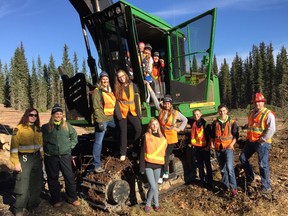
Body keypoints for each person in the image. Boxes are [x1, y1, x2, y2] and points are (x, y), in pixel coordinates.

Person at [145, 82, 187, 182]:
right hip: (162, 136)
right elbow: (155, 99)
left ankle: (165, 172)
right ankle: (162, 174)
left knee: (165, 154)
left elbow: (185, 120)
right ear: (163, 104)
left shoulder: (176, 113)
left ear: (171, 104)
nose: (167, 105)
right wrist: (149, 87)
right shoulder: (160, 110)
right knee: (160, 154)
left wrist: (179, 129)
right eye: (165, 103)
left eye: (168, 103)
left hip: (171, 137)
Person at [42, 104, 80, 207]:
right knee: (53, 178)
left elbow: (74, 138)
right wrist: (47, 151)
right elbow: (41, 141)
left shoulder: (67, 126)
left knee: (69, 177)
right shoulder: (45, 127)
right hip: (51, 156)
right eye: (56, 113)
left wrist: (69, 147)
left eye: (60, 113)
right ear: (52, 115)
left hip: (65, 156)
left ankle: (72, 198)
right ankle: (56, 199)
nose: (58, 115)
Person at [239, 93, 276, 196]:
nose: (257, 104)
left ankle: (266, 188)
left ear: (263, 102)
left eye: (259, 102)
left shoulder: (268, 114)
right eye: (255, 102)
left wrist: (263, 139)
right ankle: (251, 177)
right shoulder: (251, 113)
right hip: (251, 142)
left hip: (262, 143)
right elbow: (252, 125)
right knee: (242, 158)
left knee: (263, 165)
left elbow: (272, 129)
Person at [10, 108, 43, 216]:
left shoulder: (38, 129)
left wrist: (42, 157)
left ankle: (32, 205)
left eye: (35, 115)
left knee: (36, 183)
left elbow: (41, 145)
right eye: (31, 115)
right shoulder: (18, 129)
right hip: (24, 158)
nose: (33, 117)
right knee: (22, 184)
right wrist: (16, 162)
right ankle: (18, 208)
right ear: (26, 115)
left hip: (37, 158)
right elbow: (14, 148)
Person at [139, 118, 167, 213]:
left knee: (154, 186)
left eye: (156, 124)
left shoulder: (163, 138)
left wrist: (164, 168)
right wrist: (142, 167)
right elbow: (142, 152)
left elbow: (164, 155)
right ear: (150, 126)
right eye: (153, 124)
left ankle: (156, 205)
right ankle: (148, 204)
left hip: (158, 166)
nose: (155, 126)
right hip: (148, 165)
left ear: (158, 126)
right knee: (154, 186)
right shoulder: (146, 136)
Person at [210, 104, 239, 197]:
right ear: (218, 112)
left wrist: (231, 144)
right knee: (222, 169)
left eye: (224, 111)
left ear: (226, 111)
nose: (222, 113)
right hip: (218, 148)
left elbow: (235, 136)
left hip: (228, 148)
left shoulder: (232, 122)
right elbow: (212, 135)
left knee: (230, 168)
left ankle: (234, 188)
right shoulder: (215, 123)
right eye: (220, 111)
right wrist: (211, 143)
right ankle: (225, 186)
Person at [114, 69, 142, 161]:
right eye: (119, 77)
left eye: (123, 76)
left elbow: (136, 100)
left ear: (126, 75)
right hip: (122, 112)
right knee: (123, 132)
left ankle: (135, 149)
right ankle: (123, 153)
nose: (122, 79)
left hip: (132, 111)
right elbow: (116, 102)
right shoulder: (117, 88)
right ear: (117, 79)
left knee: (138, 129)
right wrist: (118, 114)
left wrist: (139, 114)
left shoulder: (133, 86)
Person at [91, 71, 116, 172]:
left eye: (106, 79)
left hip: (111, 118)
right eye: (103, 79)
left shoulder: (109, 90)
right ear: (100, 80)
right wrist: (99, 121)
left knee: (120, 130)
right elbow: (96, 107)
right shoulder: (97, 91)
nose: (105, 80)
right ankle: (96, 165)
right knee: (98, 142)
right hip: (103, 119)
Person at [190, 109, 213, 189]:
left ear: (200, 114)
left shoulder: (205, 124)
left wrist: (208, 147)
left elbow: (210, 137)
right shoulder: (194, 124)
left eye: (197, 114)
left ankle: (210, 183)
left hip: (205, 148)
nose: (196, 116)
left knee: (207, 165)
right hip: (197, 148)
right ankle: (202, 182)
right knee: (200, 166)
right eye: (195, 114)